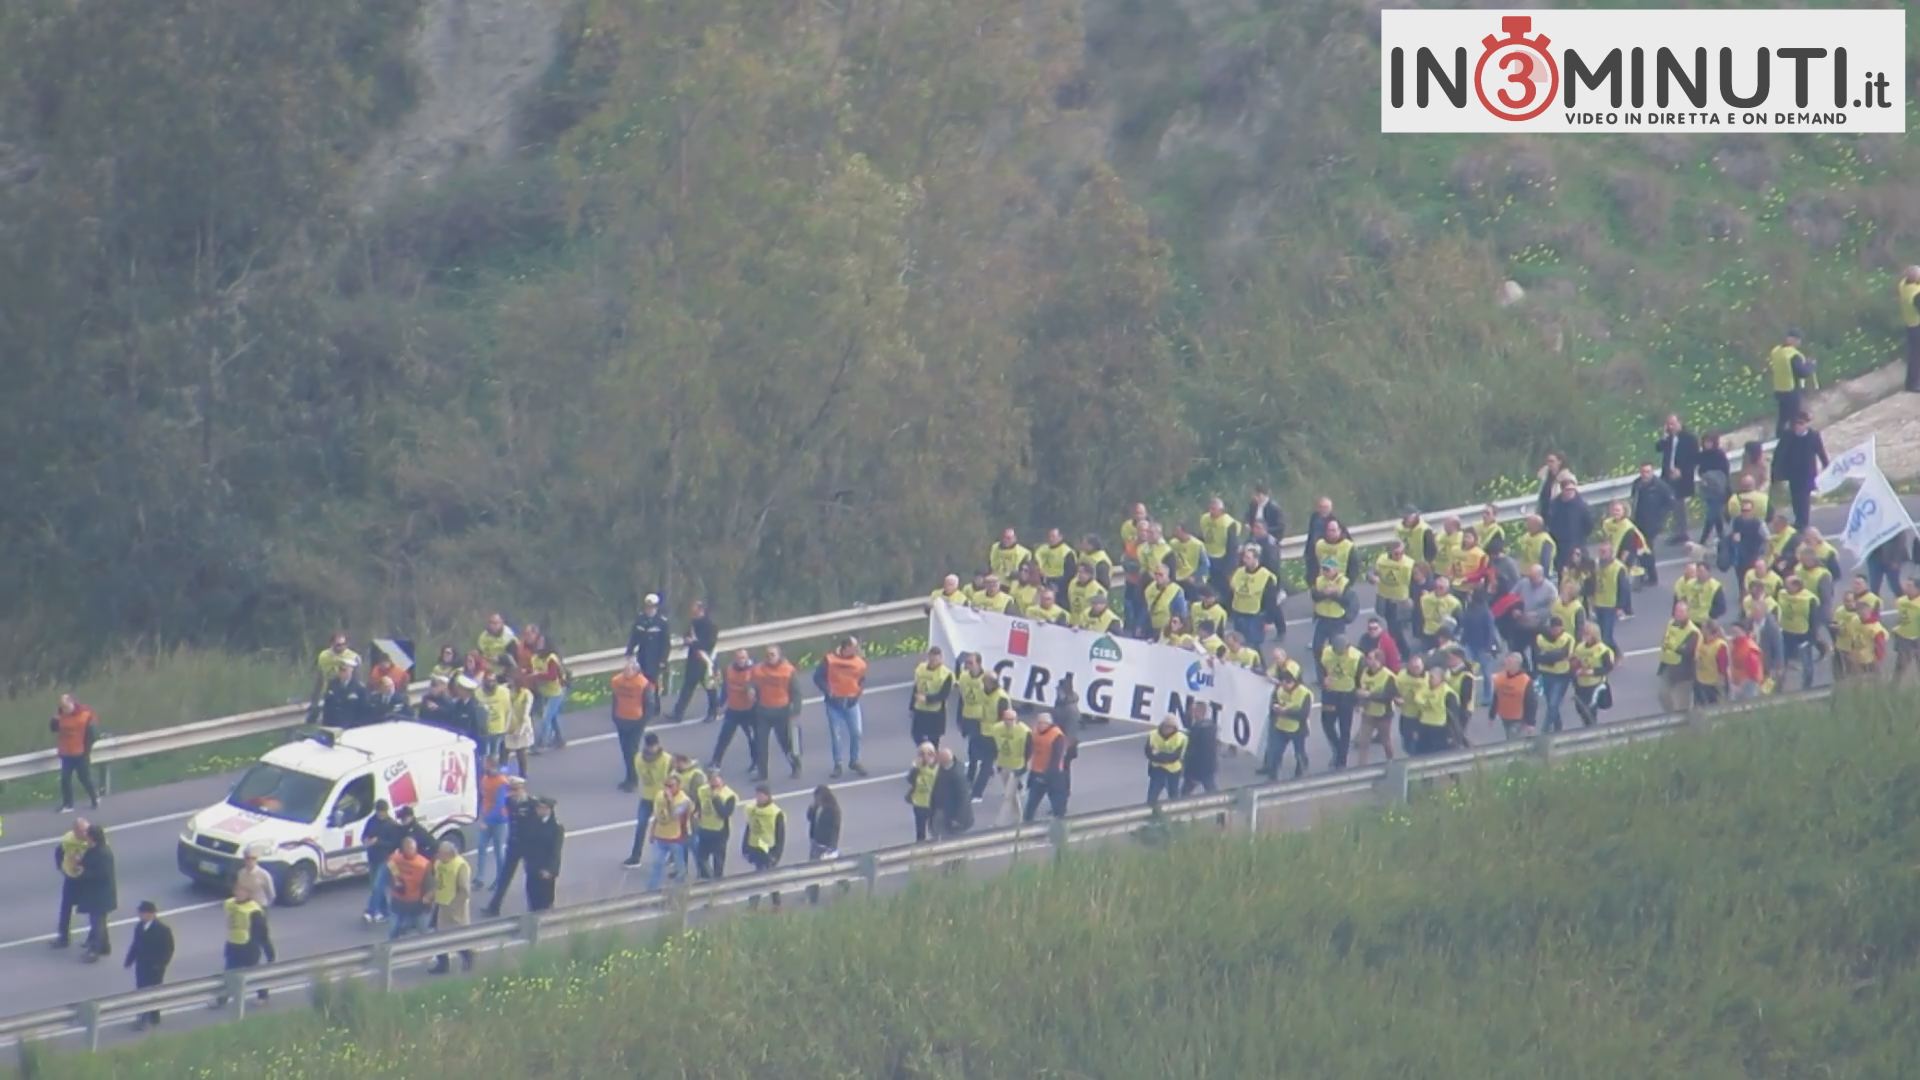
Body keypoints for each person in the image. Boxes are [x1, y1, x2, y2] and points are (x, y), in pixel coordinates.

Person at [482, 780, 540, 917]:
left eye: (515, 791)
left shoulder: (532, 804)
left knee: (530, 877)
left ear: (521, 789)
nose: (512, 794)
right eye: (510, 791)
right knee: (504, 877)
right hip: (513, 845)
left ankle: (533, 908)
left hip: (528, 846)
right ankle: (494, 907)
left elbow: (535, 826)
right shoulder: (509, 801)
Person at [213, 882, 273, 1008]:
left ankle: (263, 996)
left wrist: (269, 952)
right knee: (229, 973)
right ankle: (222, 998)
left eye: (242, 891)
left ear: (248, 894)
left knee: (253, 974)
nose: (238, 893)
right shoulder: (230, 904)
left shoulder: (253, 911)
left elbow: (263, 933)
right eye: (237, 890)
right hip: (233, 946)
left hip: (248, 948)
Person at [817, 636, 869, 778]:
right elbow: (818, 677)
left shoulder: (859, 662)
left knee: (856, 732)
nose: (857, 649)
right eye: (854, 647)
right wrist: (827, 690)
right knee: (836, 735)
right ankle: (838, 764)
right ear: (846, 648)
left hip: (851, 702)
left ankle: (855, 760)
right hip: (834, 703)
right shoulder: (829, 660)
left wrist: (858, 692)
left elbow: (862, 679)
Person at [750, 646, 803, 781]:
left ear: (779, 655)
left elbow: (796, 692)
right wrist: (750, 690)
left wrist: (796, 710)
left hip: (782, 711)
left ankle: (795, 766)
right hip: (763, 712)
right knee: (761, 744)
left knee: (786, 743)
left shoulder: (788, 670)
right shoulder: (758, 670)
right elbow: (751, 683)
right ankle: (762, 773)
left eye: (773, 654)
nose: (770, 657)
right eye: (767, 655)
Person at [1771, 412, 1830, 530]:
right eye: (1796, 424)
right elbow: (1780, 454)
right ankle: (1799, 519)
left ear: (1806, 424)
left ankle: (1803, 522)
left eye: (1801, 424)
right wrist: (1776, 472)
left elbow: (1820, 452)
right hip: (1793, 473)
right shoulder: (1788, 436)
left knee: (1804, 497)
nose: (1798, 427)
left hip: (1808, 472)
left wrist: (1826, 466)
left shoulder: (1813, 436)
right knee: (1795, 497)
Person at [623, 733, 673, 867]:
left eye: (653, 746)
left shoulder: (667, 760)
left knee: (668, 827)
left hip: (662, 798)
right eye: (650, 746)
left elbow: (671, 779)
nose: (651, 749)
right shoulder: (639, 758)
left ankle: (672, 855)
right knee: (641, 826)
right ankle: (635, 856)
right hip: (646, 797)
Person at [125, 900, 174, 1030]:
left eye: (142, 913)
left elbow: (169, 949)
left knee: (153, 991)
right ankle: (143, 1015)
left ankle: (153, 1015)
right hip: (141, 965)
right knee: (141, 989)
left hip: (155, 967)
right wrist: (129, 960)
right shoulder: (139, 927)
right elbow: (135, 945)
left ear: (151, 914)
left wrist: (161, 964)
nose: (140, 915)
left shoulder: (162, 930)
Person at [670, 600, 722, 724]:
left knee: (710, 688)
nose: (692, 612)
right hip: (693, 660)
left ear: (701, 610)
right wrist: (686, 639)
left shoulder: (710, 625)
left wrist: (693, 643)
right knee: (687, 687)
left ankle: (713, 712)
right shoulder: (693, 624)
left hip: (706, 661)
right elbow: (687, 635)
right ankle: (678, 713)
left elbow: (710, 644)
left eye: (695, 609)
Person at [48, 695, 102, 813]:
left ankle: (95, 798)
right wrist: (54, 720)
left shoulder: (85, 714)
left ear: (72, 703)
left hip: (81, 752)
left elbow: (92, 734)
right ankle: (68, 804)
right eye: (62, 707)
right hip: (66, 752)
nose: (64, 710)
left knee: (83, 777)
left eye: (66, 707)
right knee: (65, 779)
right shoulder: (61, 716)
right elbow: (53, 729)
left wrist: (86, 750)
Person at [427, 840, 474, 974]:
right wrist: (432, 894)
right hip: (442, 904)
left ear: (449, 854)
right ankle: (443, 964)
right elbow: (439, 882)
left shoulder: (461, 866)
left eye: (441, 854)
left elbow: (464, 891)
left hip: (455, 908)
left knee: (456, 936)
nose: (438, 856)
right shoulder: (439, 863)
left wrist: (455, 907)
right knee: (438, 935)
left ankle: (468, 955)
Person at [709, 650, 760, 770]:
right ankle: (716, 762)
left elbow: (759, 689)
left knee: (752, 739)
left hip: (749, 711)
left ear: (747, 658)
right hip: (733, 710)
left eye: (743, 658)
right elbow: (725, 689)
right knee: (724, 737)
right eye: (739, 658)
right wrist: (721, 705)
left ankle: (756, 762)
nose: (741, 660)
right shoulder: (729, 670)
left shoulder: (753, 671)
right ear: (735, 659)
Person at [643, 774, 695, 890]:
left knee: (679, 867)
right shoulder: (659, 795)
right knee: (656, 864)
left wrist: (670, 801)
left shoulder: (684, 800)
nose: (667, 789)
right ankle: (652, 891)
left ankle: (680, 890)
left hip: (676, 838)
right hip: (660, 836)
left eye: (671, 786)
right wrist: (652, 831)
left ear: (678, 786)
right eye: (666, 786)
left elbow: (674, 816)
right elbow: (657, 815)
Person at [73, 823, 116, 961]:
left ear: (93, 837)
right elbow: (88, 863)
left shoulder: (103, 853)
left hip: (101, 895)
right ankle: (104, 946)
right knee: (100, 922)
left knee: (97, 923)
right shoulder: (95, 850)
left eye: (88, 836)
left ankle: (94, 951)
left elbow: (101, 874)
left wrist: (82, 872)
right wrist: (80, 862)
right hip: (98, 894)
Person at [1655, 414, 1701, 543]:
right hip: (1668, 475)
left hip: (1682, 476)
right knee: (1671, 503)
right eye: (1668, 424)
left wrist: (1682, 471)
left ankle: (1682, 532)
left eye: (1673, 424)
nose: (1670, 427)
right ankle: (1677, 530)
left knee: (1679, 504)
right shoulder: (1668, 439)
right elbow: (1658, 448)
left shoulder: (1689, 438)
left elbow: (1694, 458)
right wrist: (1664, 436)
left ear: (1679, 423)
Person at [610, 659, 652, 792]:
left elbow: (650, 704)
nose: (626, 672)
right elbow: (615, 699)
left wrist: (643, 721)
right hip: (621, 719)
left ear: (636, 671)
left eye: (629, 669)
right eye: (625, 669)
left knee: (631, 751)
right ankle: (629, 777)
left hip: (636, 721)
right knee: (625, 750)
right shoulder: (617, 681)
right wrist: (614, 716)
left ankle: (633, 779)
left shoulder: (643, 684)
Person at [359, 801, 402, 925]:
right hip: (372, 858)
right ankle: (385, 912)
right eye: (378, 812)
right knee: (376, 887)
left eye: (382, 812)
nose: (380, 814)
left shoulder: (391, 825)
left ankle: (371, 911)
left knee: (378, 885)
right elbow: (364, 834)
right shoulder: (371, 821)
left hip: (385, 859)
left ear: (386, 811)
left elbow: (394, 844)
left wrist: (378, 842)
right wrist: (365, 840)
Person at [1767, 329, 1816, 435]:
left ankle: (1780, 437)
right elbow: (1803, 372)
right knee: (1794, 418)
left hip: (1779, 390)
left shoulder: (1776, 351)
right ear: (1793, 340)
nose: (1799, 343)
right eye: (1798, 340)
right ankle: (1794, 437)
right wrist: (1811, 365)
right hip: (1792, 390)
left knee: (1782, 418)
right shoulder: (1793, 355)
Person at [1657, 602, 1703, 713]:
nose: (1678, 614)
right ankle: (1672, 715)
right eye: (1676, 611)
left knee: (1683, 704)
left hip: (1684, 672)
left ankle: (1684, 726)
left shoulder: (1693, 632)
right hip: (1668, 666)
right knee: (1663, 694)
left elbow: (1687, 651)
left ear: (1688, 613)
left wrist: (1673, 646)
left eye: (1681, 611)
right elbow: (1665, 639)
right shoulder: (1671, 623)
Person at [520, 797, 564, 912]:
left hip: (546, 870)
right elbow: (527, 842)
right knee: (532, 897)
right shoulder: (533, 822)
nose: (540, 810)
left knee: (545, 901)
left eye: (543, 808)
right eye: (539, 808)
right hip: (533, 867)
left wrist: (550, 870)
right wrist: (527, 861)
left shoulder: (556, 827)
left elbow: (556, 850)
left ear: (549, 810)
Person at [1532, 616, 1575, 733]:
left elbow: (1564, 654)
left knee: (1553, 704)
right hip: (1545, 675)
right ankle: (1558, 727)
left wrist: (1548, 655)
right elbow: (1537, 657)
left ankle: (1544, 731)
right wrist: (1554, 656)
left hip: (1562, 676)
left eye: (1558, 628)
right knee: (1551, 703)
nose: (1555, 631)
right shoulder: (1540, 638)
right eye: (1553, 628)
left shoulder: (1568, 639)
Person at [386, 836, 433, 941]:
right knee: (393, 931)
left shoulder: (423, 864)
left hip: (417, 904)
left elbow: (429, 885)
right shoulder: (394, 859)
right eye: (408, 848)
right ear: (403, 849)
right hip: (398, 902)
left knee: (424, 932)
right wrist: (396, 882)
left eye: (412, 848)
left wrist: (428, 900)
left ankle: (428, 953)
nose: (411, 851)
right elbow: (390, 872)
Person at [475, 765, 513, 889]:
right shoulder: (485, 779)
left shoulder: (501, 782)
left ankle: (500, 879)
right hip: (487, 817)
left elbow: (499, 804)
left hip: (499, 820)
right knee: (481, 847)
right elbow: (484, 799)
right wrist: (482, 817)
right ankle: (480, 878)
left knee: (498, 850)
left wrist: (486, 820)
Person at [693, 771, 737, 880]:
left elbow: (724, 813)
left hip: (720, 831)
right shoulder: (702, 790)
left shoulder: (729, 795)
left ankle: (717, 880)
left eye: (716, 781)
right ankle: (707, 877)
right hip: (704, 828)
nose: (714, 785)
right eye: (711, 781)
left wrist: (716, 799)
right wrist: (696, 812)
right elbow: (699, 804)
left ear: (722, 781)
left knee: (718, 859)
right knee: (701, 857)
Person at [1570, 623, 1616, 726]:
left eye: (1587, 634)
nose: (1584, 636)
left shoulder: (1602, 650)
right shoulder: (1580, 648)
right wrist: (1575, 667)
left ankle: (1591, 729)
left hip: (1595, 684)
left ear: (1594, 635)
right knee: (1581, 710)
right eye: (1584, 633)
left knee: (1590, 710)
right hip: (1581, 684)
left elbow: (1608, 667)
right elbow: (1575, 661)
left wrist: (1592, 672)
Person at [1546, 478, 1593, 572]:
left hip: (1578, 544)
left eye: (1572, 489)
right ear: (1562, 490)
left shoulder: (1581, 505)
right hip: (1561, 547)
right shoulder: (1555, 505)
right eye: (1568, 490)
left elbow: (1589, 525)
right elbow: (1550, 524)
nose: (1570, 492)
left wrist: (1580, 541)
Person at [1488, 653, 1535, 741]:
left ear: (1517, 664)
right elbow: (1497, 697)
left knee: (1513, 738)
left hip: (1519, 718)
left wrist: (1530, 722)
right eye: (1506, 661)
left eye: (1509, 662)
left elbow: (1531, 702)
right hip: (1505, 716)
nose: (1506, 664)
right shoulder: (1500, 677)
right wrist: (1492, 715)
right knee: (1509, 737)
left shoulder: (1525, 680)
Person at [930, 749, 973, 838]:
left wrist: (958, 818)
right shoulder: (943, 770)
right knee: (937, 833)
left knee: (950, 838)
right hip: (942, 810)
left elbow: (964, 798)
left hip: (951, 815)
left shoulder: (957, 775)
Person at [742, 785, 788, 870]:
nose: (758, 798)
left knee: (768, 871)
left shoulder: (776, 813)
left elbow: (780, 835)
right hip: (756, 847)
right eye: (757, 795)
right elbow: (749, 828)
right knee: (759, 869)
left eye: (760, 795)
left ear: (767, 796)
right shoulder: (752, 810)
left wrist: (776, 855)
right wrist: (745, 848)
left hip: (769, 848)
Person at [1146, 714, 1189, 803]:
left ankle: (1174, 813)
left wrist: (1159, 755)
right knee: (1153, 794)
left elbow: (1175, 756)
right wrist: (1164, 757)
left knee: (1173, 795)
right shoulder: (1153, 735)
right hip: (1157, 769)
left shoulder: (1181, 738)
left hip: (1173, 771)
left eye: (1171, 727)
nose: (1168, 729)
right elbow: (1149, 753)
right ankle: (1150, 812)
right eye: (1166, 726)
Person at [318, 657, 369, 729]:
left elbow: (363, 712)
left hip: (351, 728)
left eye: (344, 670)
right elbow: (327, 707)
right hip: (333, 726)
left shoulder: (359, 688)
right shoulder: (332, 684)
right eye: (340, 669)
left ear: (351, 670)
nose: (341, 672)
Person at [906, 743, 940, 840]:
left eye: (929, 754)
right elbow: (910, 780)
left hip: (933, 803)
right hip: (919, 804)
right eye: (922, 754)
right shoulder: (918, 767)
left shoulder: (937, 767)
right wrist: (915, 768)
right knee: (920, 832)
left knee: (935, 830)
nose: (925, 757)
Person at [235, 844, 277, 909]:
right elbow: (238, 888)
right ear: (244, 859)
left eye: (253, 858)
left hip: (259, 907)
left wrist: (266, 906)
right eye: (248, 858)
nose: (250, 861)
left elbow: (271, 894)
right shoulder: (241, 873)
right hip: (244, 906)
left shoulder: (264, 874)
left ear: (257, 859)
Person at [806, 786, 841, 861]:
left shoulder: (833, 810)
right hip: (815, 843)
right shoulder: (817, 807)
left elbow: (835, 829)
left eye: (817, 797)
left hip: (826, 846)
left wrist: (831, 847)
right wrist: (812, 807)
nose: (816, 799)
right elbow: (809, 817)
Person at [1901, 266, 1920, 392]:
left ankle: (1911, 382)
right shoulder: (1915, 295)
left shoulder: (1903, 284)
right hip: (1916, 327)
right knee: (1916, 356)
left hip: (1909, 324)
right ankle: (1913, 384)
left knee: (1913, 354)